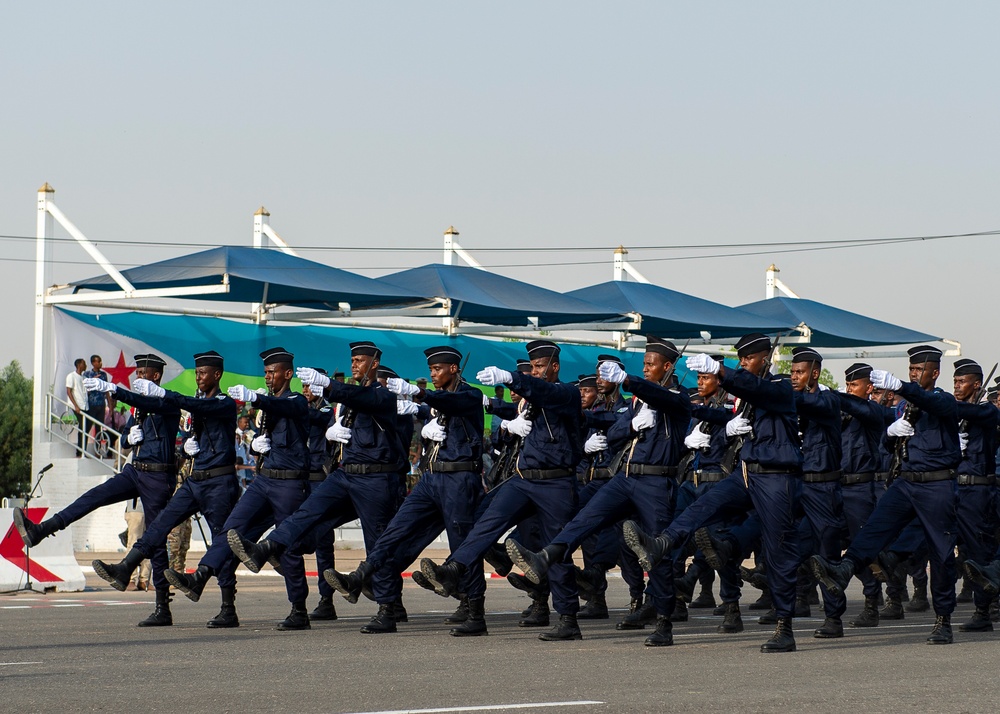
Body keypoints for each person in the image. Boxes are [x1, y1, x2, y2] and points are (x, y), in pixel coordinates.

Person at [624, 333, 803, 653]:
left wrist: (723, 373)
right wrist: (709, 416)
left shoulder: (780, 385)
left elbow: (761, 392)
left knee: (778, 552)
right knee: (700, 508)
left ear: (767, 359)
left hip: (777, 478)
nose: (744, 363)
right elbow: (731, 412)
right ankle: (661, 544)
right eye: (741, 360)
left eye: (749, 359)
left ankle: (784, 626)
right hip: (746, 473)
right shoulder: (746, 391)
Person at [506, 337, 691, 647]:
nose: (645, 369)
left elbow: (664, 398)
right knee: (582, 518)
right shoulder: (638, 403)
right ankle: (546, 557)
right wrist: (633, 426)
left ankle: (663, 621)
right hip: (625, 478)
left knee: (654, 553)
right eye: (643, 364)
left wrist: (631, 382)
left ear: (668, 366)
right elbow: (615, 433)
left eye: (650, 364)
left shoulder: (678, 398)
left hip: (656, 483)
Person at [227, 341, 409, 634]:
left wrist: (328, 387)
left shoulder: (383, 395)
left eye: (361, 361)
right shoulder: (349, 401)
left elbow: (363, 398)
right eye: (352, 360)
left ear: (374, 365)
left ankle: (388, 609)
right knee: (307, 512)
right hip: (345, 473)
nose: (355, 365)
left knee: (377, 542)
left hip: (376, 479)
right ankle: (269, 547)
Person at [416, 340, 585, 642]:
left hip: (556, 483)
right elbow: (517, 405)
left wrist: (511, 377)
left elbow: (547, 393)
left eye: (539, 366)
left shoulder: (567, 394)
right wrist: (498, 411)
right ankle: (454, 570)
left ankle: (569, 618)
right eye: (531, 367)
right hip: (523, 479)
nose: (535, 371)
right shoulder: (526, 403)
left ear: (555, 367)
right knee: (482, 523)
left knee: (556, 549)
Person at [325, 346, 488, 636]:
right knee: (394, 532)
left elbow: (452, 403)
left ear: (453, 369)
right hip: (431, 478)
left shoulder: (470, 395)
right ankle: (364, 580)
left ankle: (475, 610)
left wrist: (421, 395)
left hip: (460, 480)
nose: (434, 375)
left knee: (463, 545)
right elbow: (436, 409)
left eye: (438, 369)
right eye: (431, 370)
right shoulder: (439, 400)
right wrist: (425, 418)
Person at [810, 345, 961, 644]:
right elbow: (890, 446)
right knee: (875, 528)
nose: (915, 375)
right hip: (906, 481)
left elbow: (936, 406)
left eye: (920, 370)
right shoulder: (905, 408)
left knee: (941, 554)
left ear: (936, 372)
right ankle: (846, 568)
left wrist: (902, 387)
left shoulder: (941, 400)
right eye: (911, 370)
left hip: (937, 484)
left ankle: (943, 618)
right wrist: (891, 435)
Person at [17, 354, 181, 625]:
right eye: (136, 372)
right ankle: (41, 530)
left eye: (143, 373)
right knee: (93, 497)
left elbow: (146, 401)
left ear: (156, 376)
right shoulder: (137, 410)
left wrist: (115, 391)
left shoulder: (169, 400)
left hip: (157, 477)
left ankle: (162, 607)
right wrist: (129, 436)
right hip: (135, 470)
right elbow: (126, 441)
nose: (137, 376)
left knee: (155, 537)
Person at [91, 351, 241, 629]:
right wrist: (186, 447)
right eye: (196, 373)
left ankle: (228, 608)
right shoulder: (199, 406)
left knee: (222, 542)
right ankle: (126, 568)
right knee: (159, 526)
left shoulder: (224, 403)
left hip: (220, 484)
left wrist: (163, 393)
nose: (199, 377)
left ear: (217, 375)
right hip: (195, 480)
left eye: (204, 373)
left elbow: (194, 406)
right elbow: (192, 429)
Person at [165, 348, 313, 630]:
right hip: (264, 480)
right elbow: (267, 429)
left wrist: (257, 398)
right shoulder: (268, 406)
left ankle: (299, 610)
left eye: (273, 372)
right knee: (230, 531)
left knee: (288, 547)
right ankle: (200, 576)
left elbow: (287, 408)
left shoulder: (296, 400)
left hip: (290, 484)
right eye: (266, 373)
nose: (268, 377)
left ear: (288, 374)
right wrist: (258, 442)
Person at [83, 354, 111, 447]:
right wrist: (93, 380)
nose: (100, 363)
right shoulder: (87, 374)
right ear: (93, 363)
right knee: (87, 427)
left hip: (101, 404)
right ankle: (82, 449)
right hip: (91, 405)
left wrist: (110, 404)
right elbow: (84, 388)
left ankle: (98, 449)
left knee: (99, 428)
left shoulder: (103, 375)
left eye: (100, 361)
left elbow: (106, 390)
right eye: (98, 361)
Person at [124, 499, 151, 591]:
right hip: (136, 508)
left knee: (150, 542)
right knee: (133, 543)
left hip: (151, 507)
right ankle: (130, 579)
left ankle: (144, 579)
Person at [65, 358, 87, 456]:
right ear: (79, 365)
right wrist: (76, 406)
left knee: (85, 429)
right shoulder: (71, 376)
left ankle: (83, 451)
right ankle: (79, 452)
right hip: (77, 407)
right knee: (82, 428)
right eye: (84, 363)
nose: (85, 365)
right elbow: (69, 391)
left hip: (85, 406)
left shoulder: (83, 377)